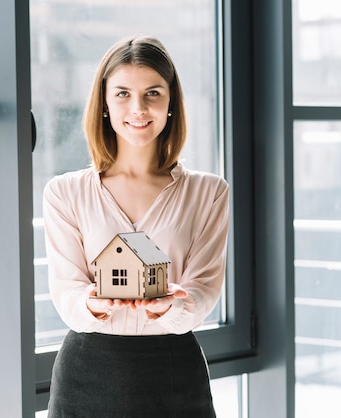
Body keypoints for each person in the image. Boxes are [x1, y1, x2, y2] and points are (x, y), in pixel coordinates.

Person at [42, 35, 229, 417]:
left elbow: (205, 290)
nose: (138, 108)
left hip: (174, 370)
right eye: (123, 93)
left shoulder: (209, 192)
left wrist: (174, 306)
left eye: (153, 93)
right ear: (105, 105)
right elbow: (67, 290)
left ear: (171, 102)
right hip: (87, 369)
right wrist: (91, 303)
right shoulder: (65, 192)